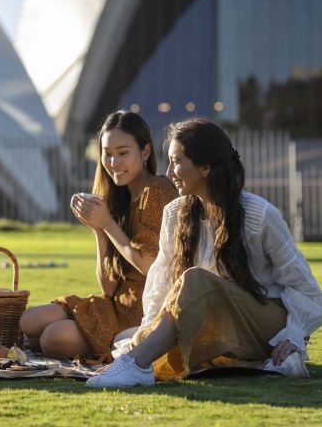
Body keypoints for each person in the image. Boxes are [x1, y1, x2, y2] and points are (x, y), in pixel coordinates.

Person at [86, 118, 322, 388]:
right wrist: (145, 335)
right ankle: (140, 359)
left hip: (262, 322)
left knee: (196, 279)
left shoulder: (259, 215)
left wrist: (293, 336)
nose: (169, 171)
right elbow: (161, 284)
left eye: (176, 161)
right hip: (215, 323)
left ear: (205, 167)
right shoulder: (174, 214)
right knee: (128, 338)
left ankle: (136, 364)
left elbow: (305, 287)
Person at [20, 110, 176, 363]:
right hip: (115, 304)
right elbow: (109, 287)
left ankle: (107, 347)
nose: (113, 162)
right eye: (107, 153)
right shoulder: (120, 199)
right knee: (29, 321)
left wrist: (107, 223)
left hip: (143, 310)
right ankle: (74, 340)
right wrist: (99, 230)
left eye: (123, 153)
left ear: (145, 151)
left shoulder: (157, 190)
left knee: (51, 339)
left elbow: (149, 264)